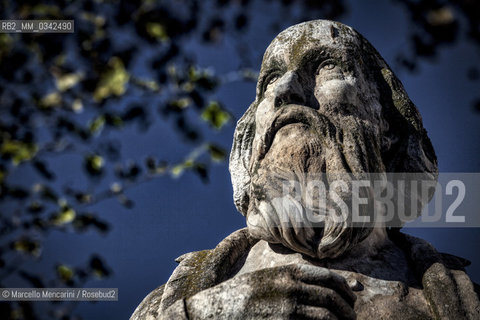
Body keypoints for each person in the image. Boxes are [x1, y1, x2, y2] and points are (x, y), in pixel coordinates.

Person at [131, 20, 480, 320]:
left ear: (386, 124)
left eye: (326, 66)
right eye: (270, 79)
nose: (284, 90)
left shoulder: (464, 302)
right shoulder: (175, 301)